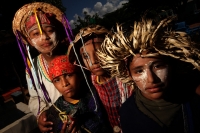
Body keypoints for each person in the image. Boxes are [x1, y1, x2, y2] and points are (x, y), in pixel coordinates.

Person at [97, 16, 200, 133]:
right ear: (129, 74)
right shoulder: (127, 112)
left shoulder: (193, 98)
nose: (151, 79)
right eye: (139, 71)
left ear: (170, 64)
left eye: (158, 66)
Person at [12, 2, 73, 132]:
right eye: (36, 34)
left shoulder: (73, 56)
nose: (45, 37)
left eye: (50, 31)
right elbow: (35, 98)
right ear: (29, 41)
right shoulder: (32, 68)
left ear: (58, 32)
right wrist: (41, 113)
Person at [70, 25, 133, 132]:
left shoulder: (126, 74)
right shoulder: (92, 81)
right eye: (86, 56)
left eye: (99, 52)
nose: (93, 61)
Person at [46, 55, 112, 133]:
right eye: (57, 80)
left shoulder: (96, 94)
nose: (64, 84)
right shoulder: (53, 113)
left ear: (80, 75)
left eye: (68, 75)